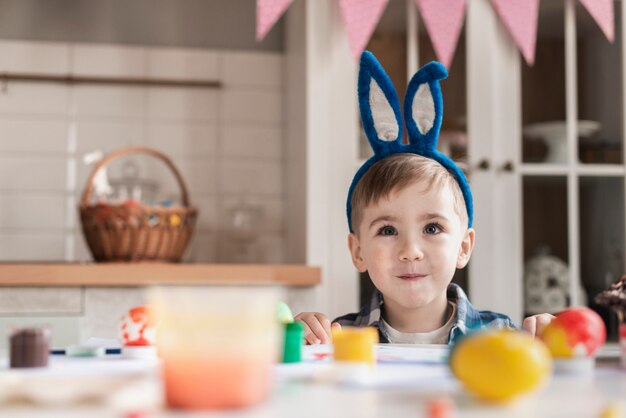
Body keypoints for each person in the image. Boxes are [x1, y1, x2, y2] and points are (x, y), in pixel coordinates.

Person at [295, 51, 553, 345]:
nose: (411, 251)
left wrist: (556, 343)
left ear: (463, 247)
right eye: (388, 230)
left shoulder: (503, 338)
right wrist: (296, 343)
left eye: (432, 228)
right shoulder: (337, 340)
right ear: (358, 251)